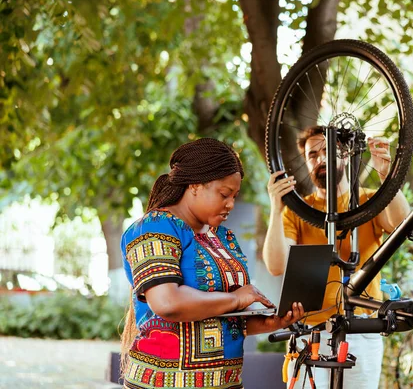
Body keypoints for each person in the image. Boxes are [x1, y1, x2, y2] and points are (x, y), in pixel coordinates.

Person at [120, 138, 304, 389]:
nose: (231, 204)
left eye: (235, 196)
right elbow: (167, 302)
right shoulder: (155, 227)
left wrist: (271, 322)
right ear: (195, 185)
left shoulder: (222, 238)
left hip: (225, 383)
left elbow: (224, 316)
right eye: (224, 194)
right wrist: (238, 299)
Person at [263, 126, 410, 389]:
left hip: (362, 328)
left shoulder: (367, 200)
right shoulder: (298, 211)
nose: (320, 159)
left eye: (327, 150)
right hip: (310, 331)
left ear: (345, 154)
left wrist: (386, 175)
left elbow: (401, 224)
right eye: (312, 154)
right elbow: (275, 265)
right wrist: (276, 207)